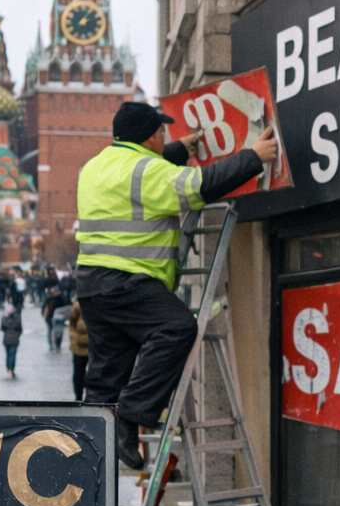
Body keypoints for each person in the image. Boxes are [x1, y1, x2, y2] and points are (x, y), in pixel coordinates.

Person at [75, 102, 274, 468]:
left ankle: (92, 451)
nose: (164, 137)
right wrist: (253, 157)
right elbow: (200, 186)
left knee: (106, 373)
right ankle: (131, 416)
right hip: (128, 280)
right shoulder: (148, 172)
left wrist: (182, 148)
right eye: (161, 133)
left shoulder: (96, 166)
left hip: (91, 284)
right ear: (151, 136)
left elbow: (142, 168)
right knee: (177, 328)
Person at [68, 299, 89, 400]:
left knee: (95, 373)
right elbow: (72, 321)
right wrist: (72, 336)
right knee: (78, 373)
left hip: (95, 346)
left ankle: (91, 397)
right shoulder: (79, 305)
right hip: (79, 346)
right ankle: (78, 397)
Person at [1, 304, 22, 379]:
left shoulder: (4, 318)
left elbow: (2, 328)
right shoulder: (17, 318)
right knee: (13, 355)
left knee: (8, 355)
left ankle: (8, 370)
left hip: (6, 339)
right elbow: (20, 329)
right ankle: (12, 370)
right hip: (15, 339)